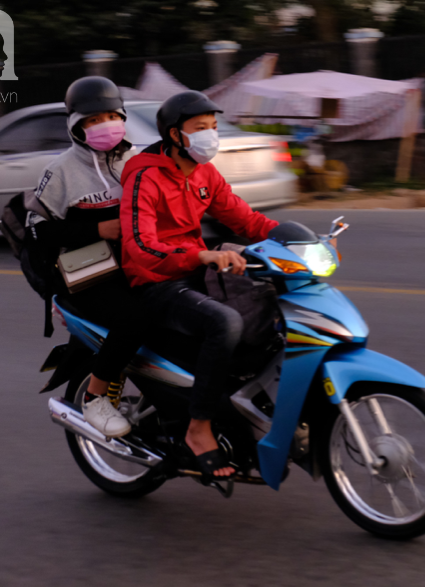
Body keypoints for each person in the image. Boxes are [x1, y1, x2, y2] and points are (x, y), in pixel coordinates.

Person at [118, 91, 279, 479]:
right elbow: (139, 247)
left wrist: (299, 239)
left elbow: (246, 220)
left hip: (195, 272)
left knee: (274, 302)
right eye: (200, 128)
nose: (211, 135)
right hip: (156, 282)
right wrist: (200, 255)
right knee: (224, 323)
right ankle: (199, 427)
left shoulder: (205, 173)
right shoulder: (145, 175)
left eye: (213, 127)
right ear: (175, 135)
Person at [27, 76, 151, 438]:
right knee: (134, 320)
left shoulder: (135, 160)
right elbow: (37, 231)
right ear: (76, 126)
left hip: (135, 261)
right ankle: (95, 398)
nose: (103, 125)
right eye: (92, 120)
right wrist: (98, 229)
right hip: (88, 272)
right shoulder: (60, 171)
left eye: (110, 116)